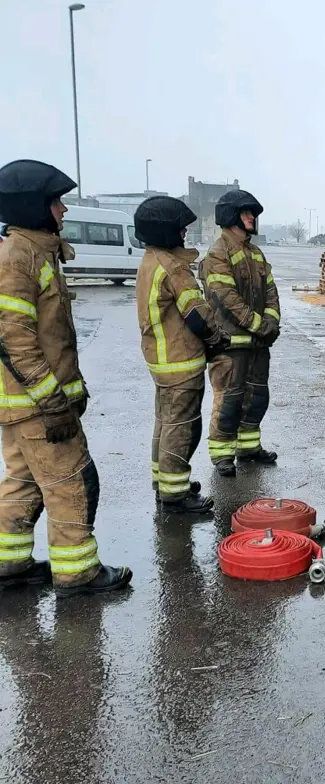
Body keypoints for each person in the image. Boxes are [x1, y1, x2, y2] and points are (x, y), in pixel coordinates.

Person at [0, 159, 132, 596]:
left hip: (23, 406)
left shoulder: (33, 252)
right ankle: (78, 573)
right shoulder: (18, 258)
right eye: (56, 201)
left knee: (23, 482)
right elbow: (14, 342)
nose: (64, 210)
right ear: (34, 205)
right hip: (38, 407)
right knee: (73, 481)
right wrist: (54, 402)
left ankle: (11, 562)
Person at [135, 196, 229, 513]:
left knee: (164, 424)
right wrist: (217, 338)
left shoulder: (149, 262)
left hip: (160, 362)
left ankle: (164, 482)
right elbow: (197, 315)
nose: (184, 234)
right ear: (166, 231)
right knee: (182, 427)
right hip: (181, 363)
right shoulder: (173, 267)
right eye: (180, 228)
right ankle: (176, 493)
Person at [200, 190, 280, 477]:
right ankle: (222, 455)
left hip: (258, 345)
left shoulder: (255, 254)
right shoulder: (218, 253)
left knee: (257, 397)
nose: (252, 217)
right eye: (246, 212)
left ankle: (248, 448)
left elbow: (271, 292)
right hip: (230, 345)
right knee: (229, 401)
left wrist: (271, 322)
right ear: (231, 215)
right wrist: (260, 325)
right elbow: (227, 298)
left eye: (253, 213)